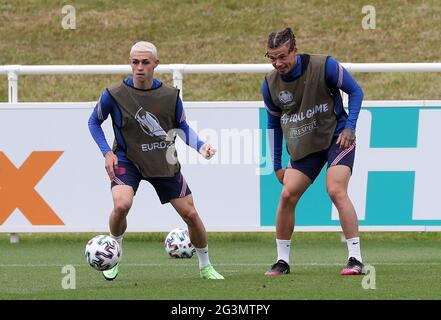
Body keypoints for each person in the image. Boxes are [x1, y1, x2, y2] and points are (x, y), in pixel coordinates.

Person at [88, 41, 224, 280]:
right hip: (127, 159)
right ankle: (114, 253)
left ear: (156, 64)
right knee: (121, 205)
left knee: (190, 214)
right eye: (135, 62)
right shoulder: (114, 94)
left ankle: (205, 266)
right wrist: (106, 152)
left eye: (145, 62)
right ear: (130, 63)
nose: (139, 67)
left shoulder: (170, 96)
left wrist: (201, 145)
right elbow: (93, 122)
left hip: (162, 160)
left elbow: (181, 125)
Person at [262, 28, 365, 276]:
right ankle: (282, 261)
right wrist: (277, 164)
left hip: (336, 137)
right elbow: (273, 125)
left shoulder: (325, 66)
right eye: (272, 58)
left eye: (283, 57)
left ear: (295, 51)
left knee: (335, 190)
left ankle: (356, 259)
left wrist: (350, 127)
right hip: (305, 145)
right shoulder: (269, 84)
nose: (278, 63)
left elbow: (356, 91)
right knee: (287, 195)